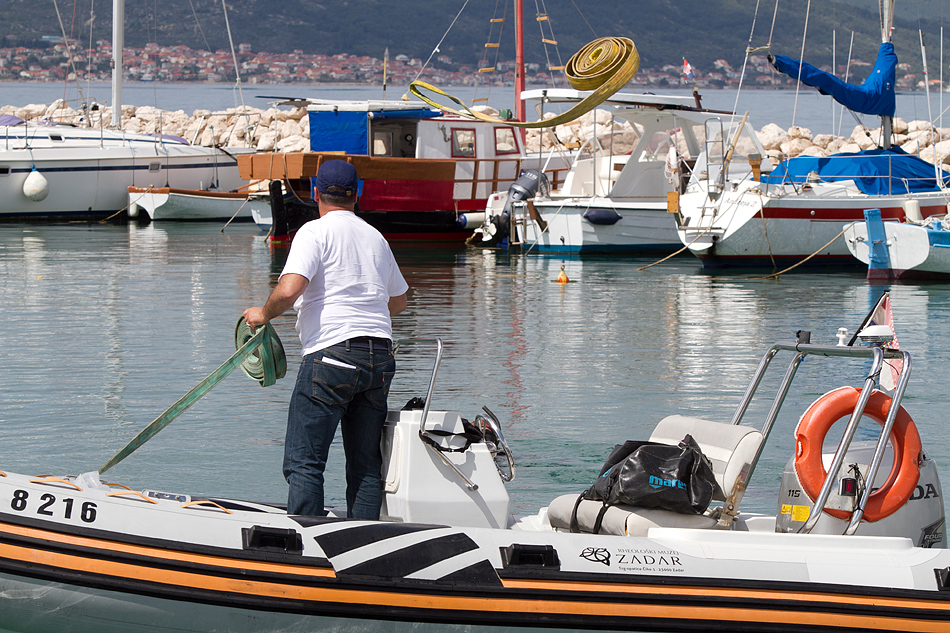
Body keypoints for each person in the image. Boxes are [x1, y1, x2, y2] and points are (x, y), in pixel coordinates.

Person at [243, 160, 409, 520]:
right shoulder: (376, 238)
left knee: (305, 461)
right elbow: (398, 302)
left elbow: (290, 290)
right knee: (365, 465)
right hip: (379, 357)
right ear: (357, 195)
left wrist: (262, 314)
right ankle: (365, 540)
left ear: (316, 193)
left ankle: (307, 538)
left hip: (331, 356)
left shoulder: (314, 232)